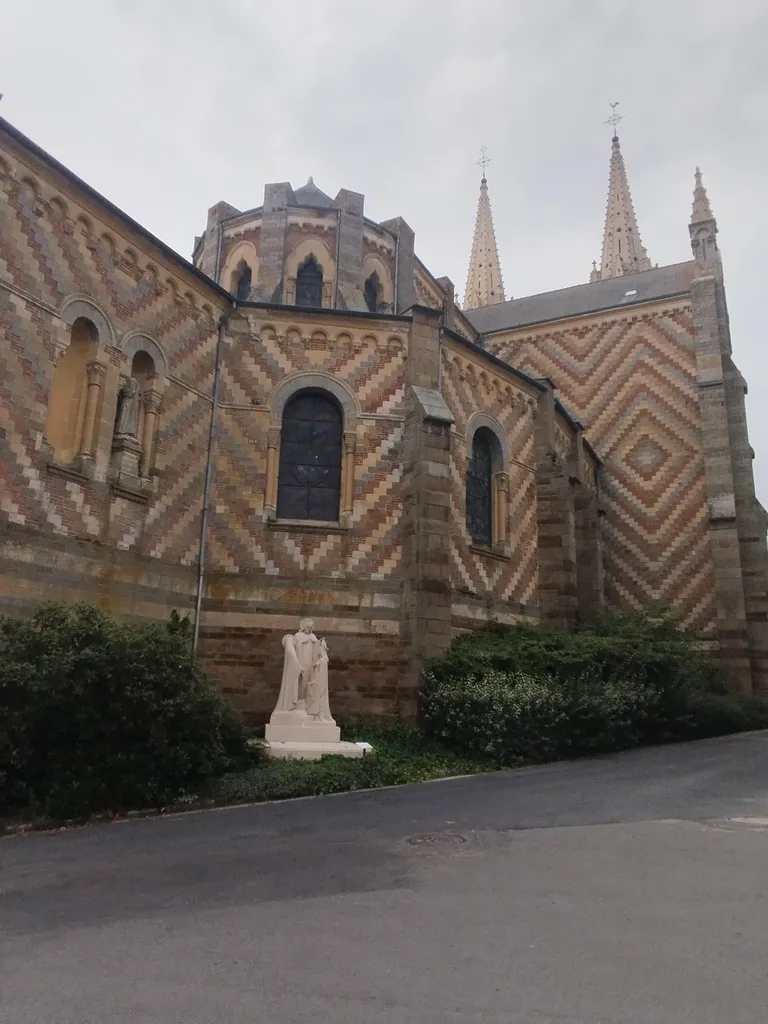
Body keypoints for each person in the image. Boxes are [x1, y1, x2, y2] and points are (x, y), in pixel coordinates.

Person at [306, 638, 332, 721]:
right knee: (316, 698)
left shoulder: (323, 661)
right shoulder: (320, 661)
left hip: (320, 681)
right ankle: (316, 716)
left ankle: (320, 716)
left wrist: (315, 680)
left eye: (321, 649)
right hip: (317, 681)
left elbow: (321, 673)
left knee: (320, 698)